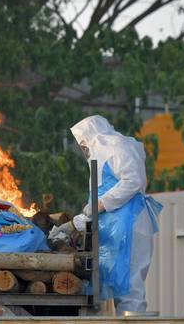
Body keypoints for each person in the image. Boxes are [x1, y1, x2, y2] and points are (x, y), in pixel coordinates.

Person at [49, 115, 162, 315]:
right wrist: (85, 217)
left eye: (84, 141)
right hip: (117, 226)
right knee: (118, 287)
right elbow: (103, 194)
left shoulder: (116, 147)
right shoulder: (102, 154)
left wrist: (100, 204)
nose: (84, 147)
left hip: (130, 223)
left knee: (129, 286)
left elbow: (132, 181)